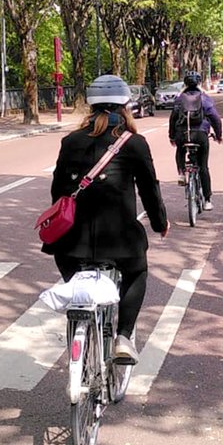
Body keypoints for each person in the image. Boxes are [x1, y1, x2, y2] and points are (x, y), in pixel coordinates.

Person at [44, 74, 169, 364]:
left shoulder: (71, 141)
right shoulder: (134, 143)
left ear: (90, 106)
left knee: (70, 266)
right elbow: (150, 189)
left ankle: (80, 309)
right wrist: (159, 223)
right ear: (126, 106)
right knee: (137, 272)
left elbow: (58, 191)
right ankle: (124, 337)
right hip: (120, 238)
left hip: (72, 240)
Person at [169, 72, 223, 210]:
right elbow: (215, 118)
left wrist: (172, 136)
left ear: (185, 84)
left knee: (180, 150)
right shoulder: (205, 98)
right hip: (201, 135)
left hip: (183, 134)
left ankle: (181, 173)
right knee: (203, 166)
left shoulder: (180, 99)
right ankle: (207, 200)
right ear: (199, 83)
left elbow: (173, 119)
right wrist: (218, 135)